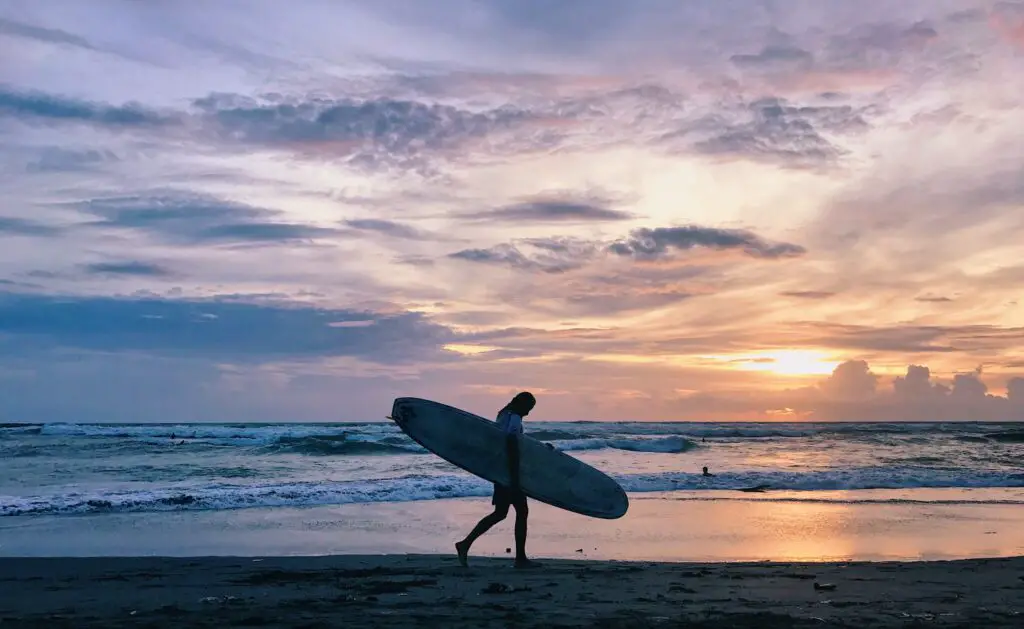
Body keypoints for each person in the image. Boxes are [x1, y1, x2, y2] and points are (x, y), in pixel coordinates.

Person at [456, 391, 542, 569]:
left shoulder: (503, 415)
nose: (528, 413)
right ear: (521, 405)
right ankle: (520, 558)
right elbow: (511, 445)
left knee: (503, 513)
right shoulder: (515, 418)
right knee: (519, 511)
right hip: (507, 474)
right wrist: (514, 478)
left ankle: (465, 544)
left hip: (500, 472)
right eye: (528, 408)